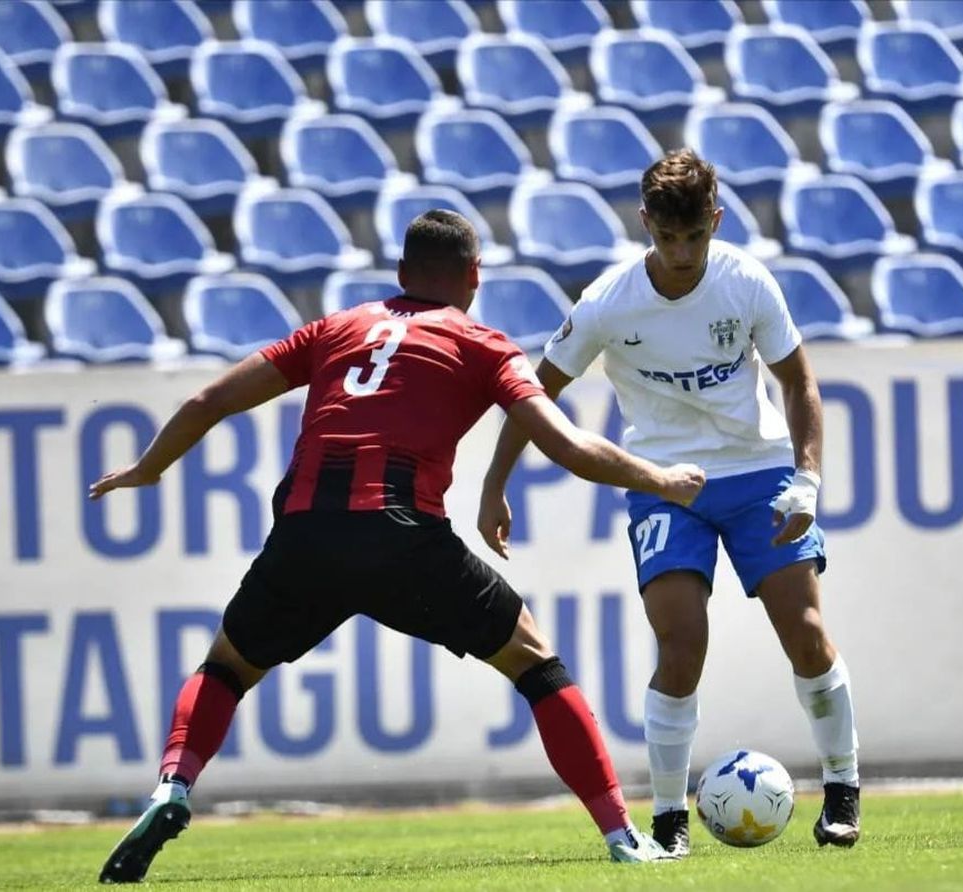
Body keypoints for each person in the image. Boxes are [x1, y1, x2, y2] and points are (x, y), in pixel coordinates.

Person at [92, 210, 706, 883]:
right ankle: (621, 834)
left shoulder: (338, 327)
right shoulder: (482, 343)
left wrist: (150, 467)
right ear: (474, 277)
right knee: (536, 665)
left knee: (226, 669)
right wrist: (660, 479)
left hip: (306, 532)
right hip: (401, 535)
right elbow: (564, 443)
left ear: (401, 273)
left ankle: (172, 787)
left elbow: (211, 398)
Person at [478, 150, 861, 858]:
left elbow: (799, 384)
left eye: (696, 238)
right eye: (669, 238)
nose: (683, 255)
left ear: (715, 222)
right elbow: (536, 395)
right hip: (663, 484)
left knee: (805, 633)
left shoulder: (746, 282)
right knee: (681, 643)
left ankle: (842, 789)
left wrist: (807, 478)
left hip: (757, 475)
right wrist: (494, 484)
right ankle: (667, 819)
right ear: (646, 223)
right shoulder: (607, 302)